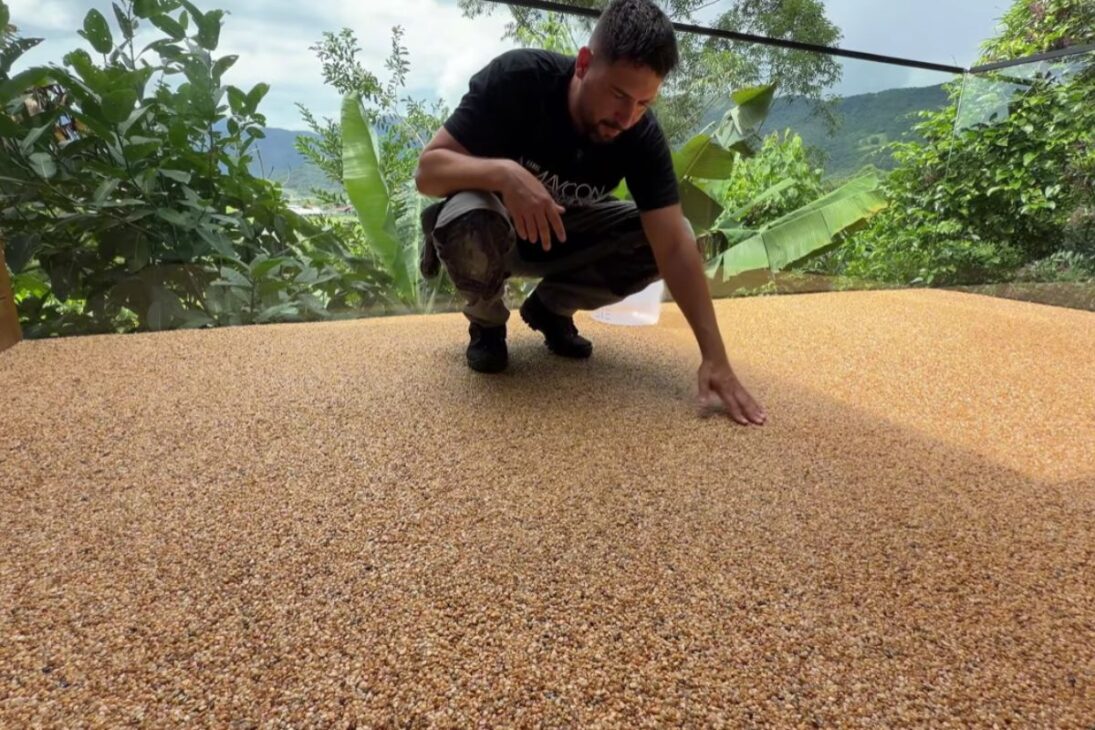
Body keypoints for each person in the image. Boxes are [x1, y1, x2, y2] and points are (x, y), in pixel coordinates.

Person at [414, 0, 766, 426]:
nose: (626, 116)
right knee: (469, 219)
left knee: (674, 235)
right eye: (619, 95)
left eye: (644, 103)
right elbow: (428, 172)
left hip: (564, 234)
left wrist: (715, 358)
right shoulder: (519, 79)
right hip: (493, 226)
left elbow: (674, 246)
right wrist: (505, 175)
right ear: (584, 63)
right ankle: (487, 324)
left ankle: (550, 307)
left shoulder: (640, 134)